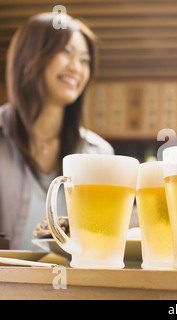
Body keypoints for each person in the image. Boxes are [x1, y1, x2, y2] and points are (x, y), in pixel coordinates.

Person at [0, 12, 113, 249]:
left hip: (71, 286)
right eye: (66, 52)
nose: (76, 68)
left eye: (85, 60)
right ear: (30, 56)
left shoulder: (99, 154)